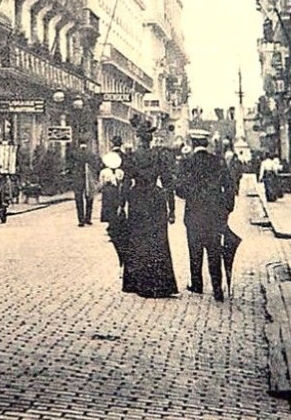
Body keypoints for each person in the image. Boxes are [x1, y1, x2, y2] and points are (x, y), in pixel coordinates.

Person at [176, 129, 235, 301]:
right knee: (214, 249)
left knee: (195, 250)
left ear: (193, 143)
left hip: (193, 213)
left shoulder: (187, 163)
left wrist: (191, 195)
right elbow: (229, 187)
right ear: (207, 143)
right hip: (214, 214)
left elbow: (179, 188)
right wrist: (227, 208)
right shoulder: (218, 161)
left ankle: (197, 284)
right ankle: (217, 288)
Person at [121, 121, 178, 298]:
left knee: (137, 240)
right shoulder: (159, 156)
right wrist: (172, 209)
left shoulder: (132, 157)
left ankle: (138, 283)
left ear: (138, 139)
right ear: (151, 139)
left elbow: (126, 182)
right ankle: (161, 283)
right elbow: (168, 182)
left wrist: (121, 205)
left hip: (137, 199)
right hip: (155, 199)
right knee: (158, 240)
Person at [99, 150, 129, 270]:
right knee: (117, 208)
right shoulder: (120, 172)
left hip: (108, 193)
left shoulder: (104, 172)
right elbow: (122, 182)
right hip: (117, 193)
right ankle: (117, 222)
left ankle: (112, 225)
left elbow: (101, 184)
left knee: (109, 209)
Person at [69, 143, 98, 227]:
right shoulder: (91, 154)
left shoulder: (74, 154)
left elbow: (70, 166)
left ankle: (81, 220)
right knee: (89, 198)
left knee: (79, 199)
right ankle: (88, 218)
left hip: (78, 179)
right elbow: (95, 166)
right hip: (89, 178)